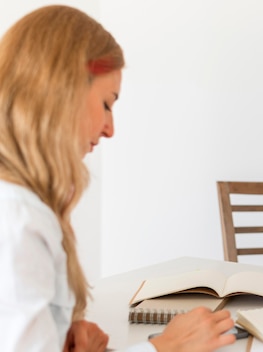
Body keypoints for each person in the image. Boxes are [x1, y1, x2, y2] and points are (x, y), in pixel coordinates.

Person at [0, 5, 236, 351]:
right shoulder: (17, 219)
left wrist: (57, 331)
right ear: (61, 91)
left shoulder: (24, 206)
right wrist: (166, 347)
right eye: (107, 104)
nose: (110, 129)